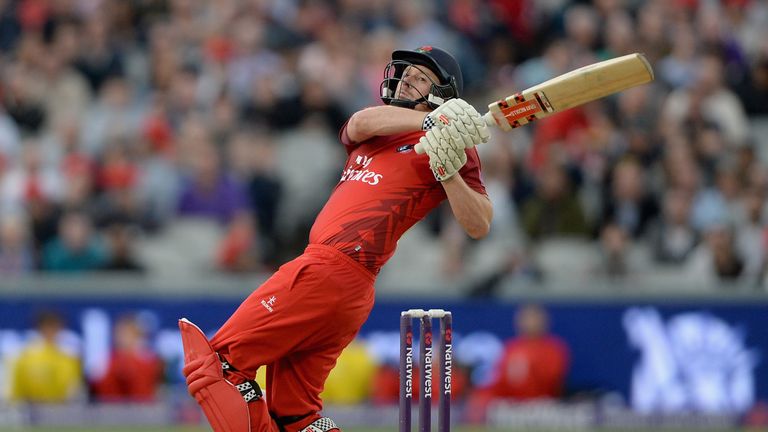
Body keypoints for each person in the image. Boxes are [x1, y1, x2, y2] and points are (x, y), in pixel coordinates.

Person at [179, 45, 492, 432]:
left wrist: (447, 170)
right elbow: (359, 122)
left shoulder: (453, 146)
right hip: (338, 282)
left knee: (217, 365)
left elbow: (479, 223)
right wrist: (430, 123)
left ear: (443, 91)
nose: (407, 77)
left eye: (421, 76)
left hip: (335, 270)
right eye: (406, 71)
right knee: (296, 415)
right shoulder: (379, 129)